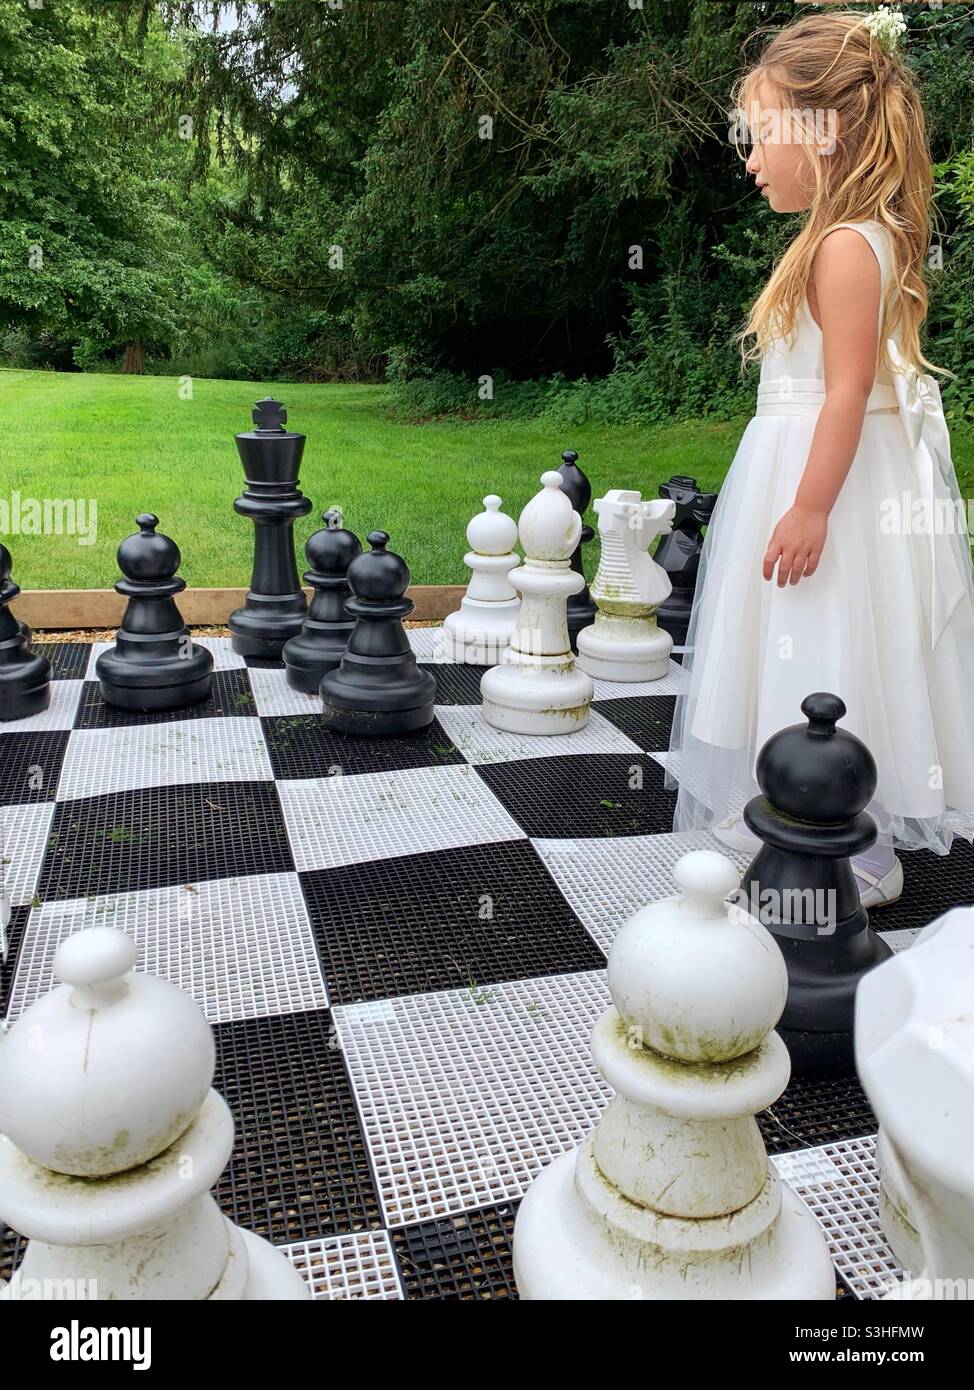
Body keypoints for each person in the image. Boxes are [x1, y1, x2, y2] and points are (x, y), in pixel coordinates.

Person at [667, 8, 974, 907]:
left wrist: (807, 507)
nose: (752, 162)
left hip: (828, 481)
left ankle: (859, 844)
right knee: (804, 637)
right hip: (814, 466)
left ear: (821, 135)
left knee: (832, 636)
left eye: (763, 140)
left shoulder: (847, 246)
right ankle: (801, 797)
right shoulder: (846, 236)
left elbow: (846, 392)